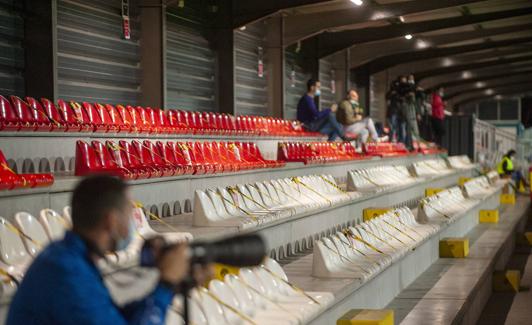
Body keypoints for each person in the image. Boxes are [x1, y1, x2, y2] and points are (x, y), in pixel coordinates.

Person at [7, 175, 193, 324]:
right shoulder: (66, 271)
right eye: (129, 212)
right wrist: (165, 285)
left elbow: (115, 317)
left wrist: (172, 287)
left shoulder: (70, 258)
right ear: (110, 220)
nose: (133, 221)